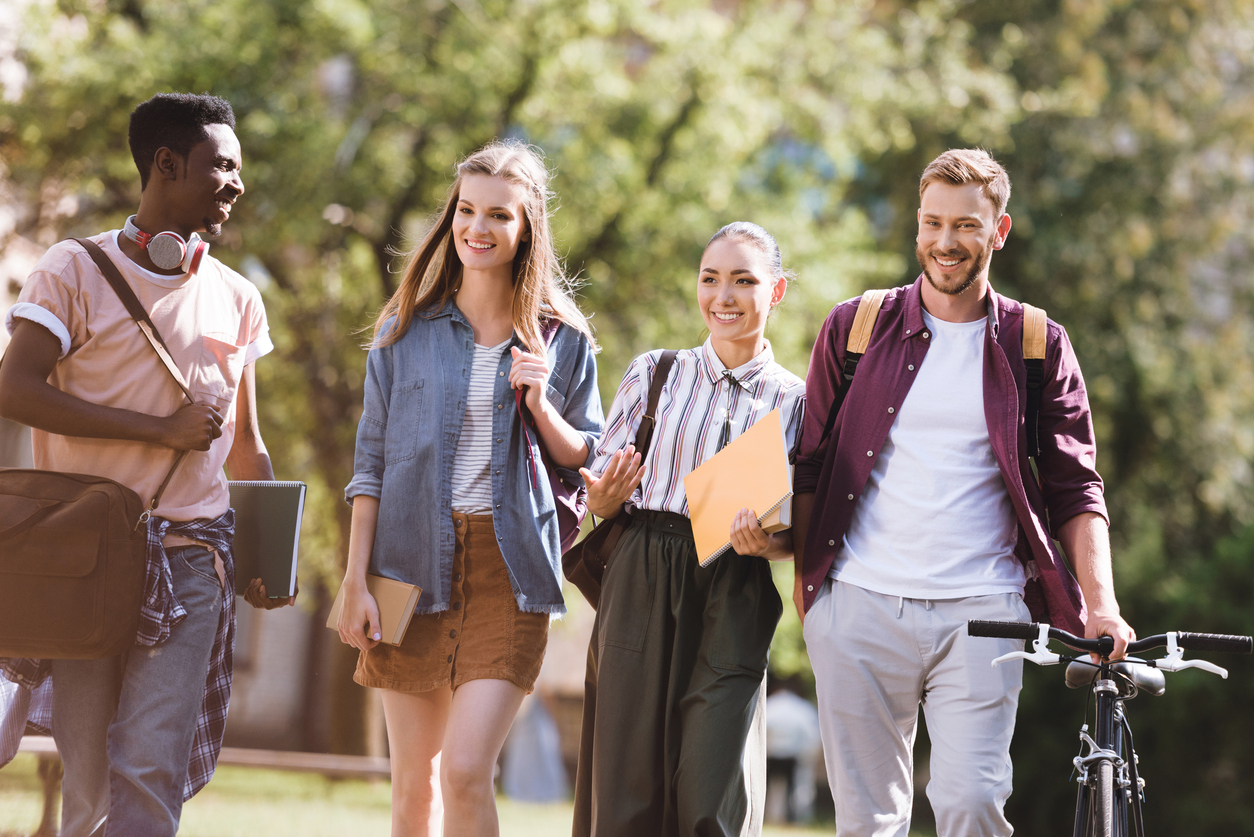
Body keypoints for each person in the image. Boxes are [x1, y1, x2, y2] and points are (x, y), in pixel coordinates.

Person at [791, 148, 1136, 837]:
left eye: (966, 226)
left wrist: (1101, 604)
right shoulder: (855, 327)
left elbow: (1075, 486)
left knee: (972, 803)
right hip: (859, 604)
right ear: (917, 225)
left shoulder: (1036, 342)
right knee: (867, 822)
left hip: (984, 612)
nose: (945, 242)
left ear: (999, 231)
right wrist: (811, 594)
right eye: (932, 222)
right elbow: (809, 464)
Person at [0, 92, 290, 837]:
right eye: (220, 165)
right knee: (89, 772)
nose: (236, 182)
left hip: (192, 556)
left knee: (148, 762)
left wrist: (267, 557)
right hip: (86, 556)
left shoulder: (237, 297)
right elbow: (15, 386)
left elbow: (248, 445)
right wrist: (158, 429)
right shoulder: (73, 268)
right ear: (165, 164)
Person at [336, 140, 602, 837]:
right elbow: (371, 466)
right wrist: (354, 579)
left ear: (526, 229)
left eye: (498, 216)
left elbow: (586, 459)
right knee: (410, 793)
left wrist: (541, 404)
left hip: (508, 571)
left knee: (464, 771)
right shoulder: (404, 331)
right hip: (404, 567)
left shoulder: (563, 340)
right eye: (466, 210)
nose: (476, 228)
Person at [573, 222, 807, 837]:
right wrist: (600, 495)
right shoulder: (655, 373)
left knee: (713, 789)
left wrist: (774, 543)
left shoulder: (798, 401)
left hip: (735, 583)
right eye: (710, 279)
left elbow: (800, 528)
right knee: (626, 786)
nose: (722, 296)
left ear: (776, 292)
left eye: (743, 280)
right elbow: (599, 488)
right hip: (642, 575)